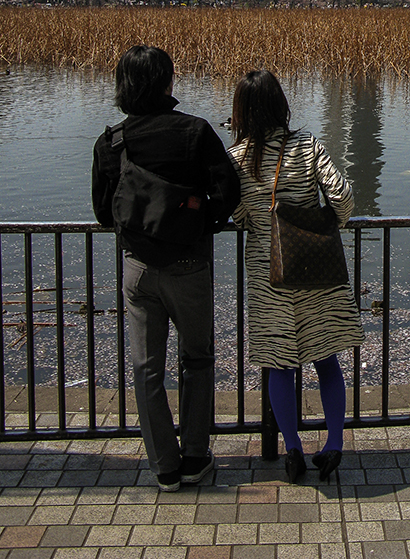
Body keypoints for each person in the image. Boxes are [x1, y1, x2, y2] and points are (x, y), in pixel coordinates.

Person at [92, 45, 240, 492]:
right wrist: (198, 223)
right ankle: (195, 456)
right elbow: (227, 193)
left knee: (146, 368)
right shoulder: (195, 131)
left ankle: (164, 466)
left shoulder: (112, 142)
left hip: (137, 267)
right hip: (190, 265)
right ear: (168, 82)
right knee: (197, 358)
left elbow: (103, 213)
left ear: (123, 85)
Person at [228, 69, 364, 483]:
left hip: (268, 273)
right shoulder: (306, 145)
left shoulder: (237, 158)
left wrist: (258, 221)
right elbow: (342, 195)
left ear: (241, 111)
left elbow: (239, 216)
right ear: (280, 104)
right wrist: (328, 226)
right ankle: (334, 443)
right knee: (326, 357)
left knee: (279, 363)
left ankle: (292, 449)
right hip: (313, 267)